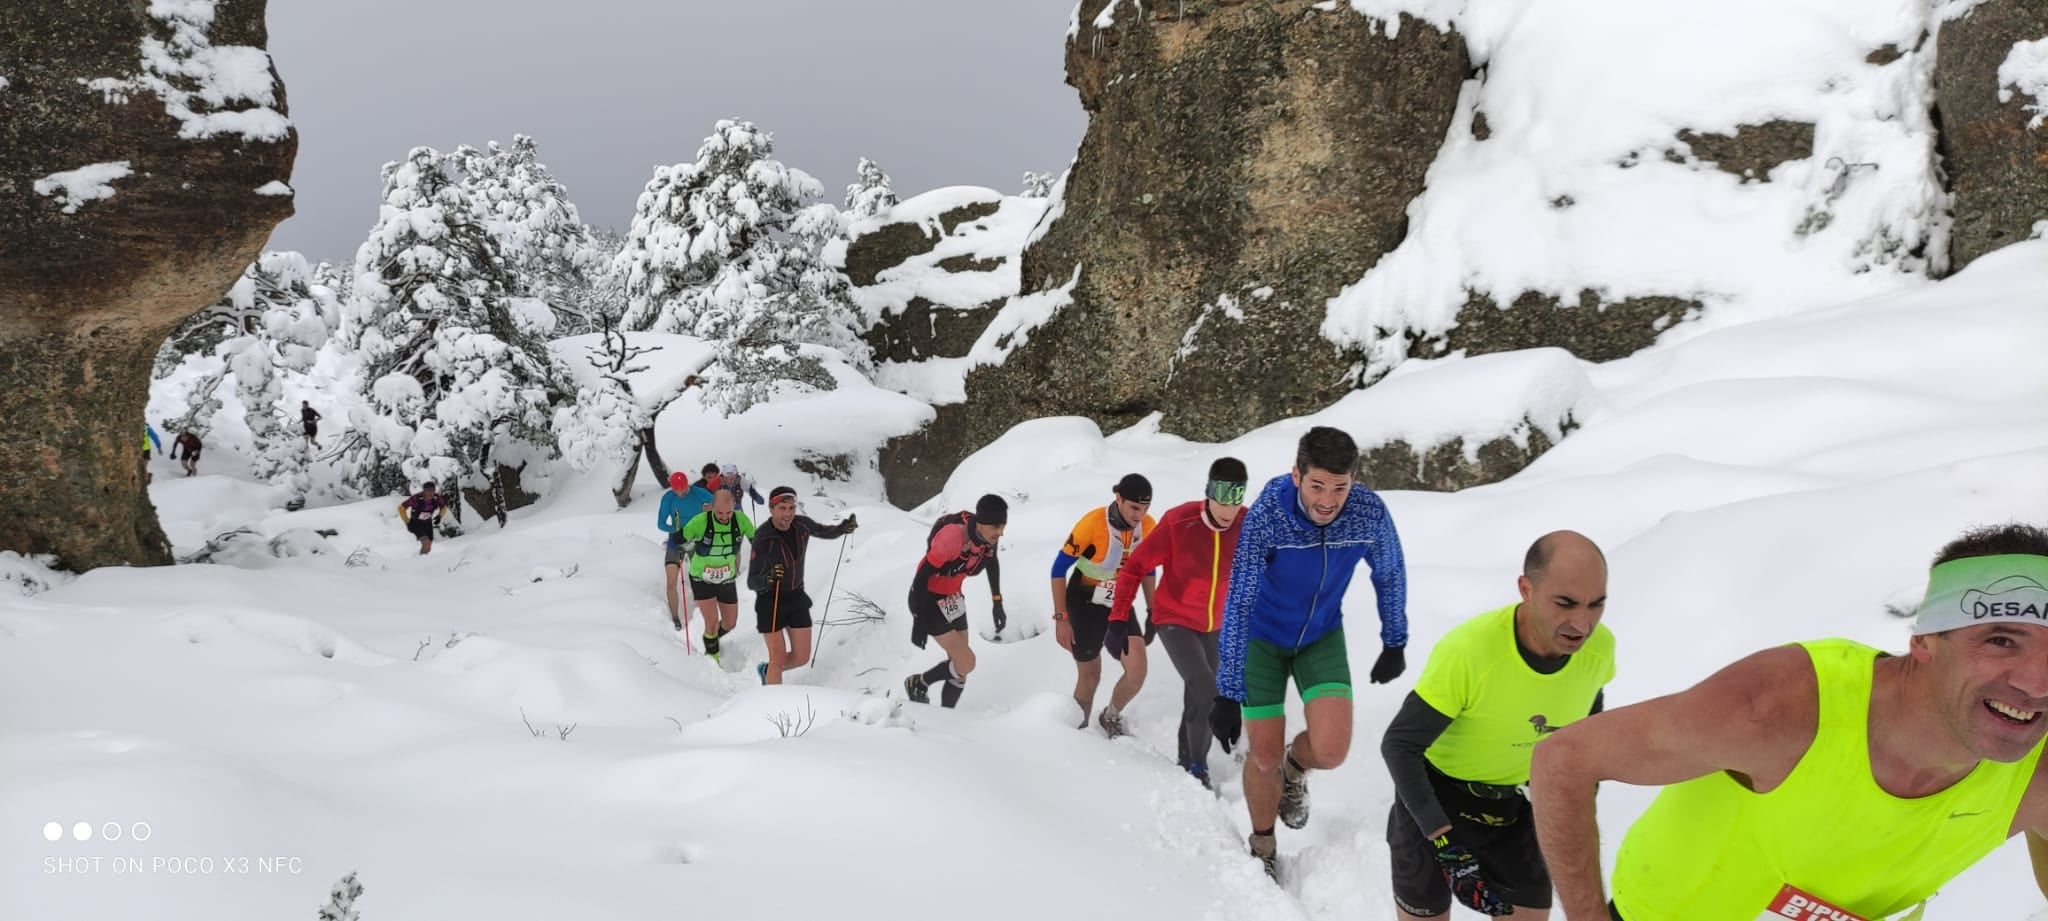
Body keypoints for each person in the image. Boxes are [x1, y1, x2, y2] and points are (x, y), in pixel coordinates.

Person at [1530, 522, 2048, 921]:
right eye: (2000, 640)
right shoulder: (1779, 710)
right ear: (1925, 641)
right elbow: (1563, 759)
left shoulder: (2038, 766)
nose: (2037, 683)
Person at [1211, 425, 1411, 880]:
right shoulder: (1268, 515)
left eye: (1340, 488)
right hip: (1262, 638)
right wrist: (1226, 689)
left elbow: (1390, 571)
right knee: (1261, 755)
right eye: (1317, 485)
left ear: (1354, 482)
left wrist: (1394, 639)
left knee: (1331, 749)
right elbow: (1239, 598)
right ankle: (1263, 841)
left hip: (1319, 635)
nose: (1328, 500)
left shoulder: (1366, 513)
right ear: (1297, 475)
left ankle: (1294, 767)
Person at [1381, 531, 1614, 919]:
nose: (1582, 624)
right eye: (1565, 603)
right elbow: (1400, 746)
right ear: (1526, 589)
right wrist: (1444, 843)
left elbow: (1588, 734)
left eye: (1597, 604)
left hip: (1515, 808)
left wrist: (1577, 809)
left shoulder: (1600, 650)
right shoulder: (1471, 652)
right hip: (1435, 803)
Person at [1108, 457, 1249, 786]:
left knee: (1197, 695)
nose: (1229, 507)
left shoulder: (1247, 524)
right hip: (1174, 619)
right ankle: (1198, 769)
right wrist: (1118, 620)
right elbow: (1134, 569)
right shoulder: (1179, 522)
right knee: (1205, 686)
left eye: (1237, 495)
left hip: (1217, 624)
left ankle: (1188, 759)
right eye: (1222, 494)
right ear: (1208, 491)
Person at [1051, 473, 1161, 736]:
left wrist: (1152, 609)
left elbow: (1147, 569)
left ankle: (1110, 716)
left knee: (1137, 671)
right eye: (1134, 507)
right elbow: (1058, 570)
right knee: (1090, 676)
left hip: (1119, 602)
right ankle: (1075, 733)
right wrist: (1061, 618)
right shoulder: (1092, 524)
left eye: (1145, 509)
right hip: (1084, 600)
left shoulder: (1148, 526)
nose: (1139, 515)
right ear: (1119, 498)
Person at [904, 494, 1009, 708]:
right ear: (981, 523)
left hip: (953, 598)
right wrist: (919, 620)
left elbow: (992, 563)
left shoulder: (989, 539)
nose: (1001, 532)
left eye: (1003, 526)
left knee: (960, 667)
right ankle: (919, 682)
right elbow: (922, 575)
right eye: (996, 527)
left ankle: (948, 717)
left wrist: (997, 601)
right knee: (967, 662)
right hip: (927, 600)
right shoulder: (952, 537)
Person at [746, 486, 857, 685]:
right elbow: (752, 581)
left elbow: (824, 531)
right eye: (782, 508)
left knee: (801, 657)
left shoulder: (802, 525)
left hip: (796, 596)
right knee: (778, 659)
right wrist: (769, 577)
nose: (788, 514)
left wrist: (842, 528)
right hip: (770, 600)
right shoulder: (763, 537)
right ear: (771, 509)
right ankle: (769, 706)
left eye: (791, 508)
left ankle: (767, 670)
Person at [680, 488, 755, 664]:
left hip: (726, 577)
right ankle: (713, 658)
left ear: (734, 507)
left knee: (730, 623)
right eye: (720, 513)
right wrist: (679, 538)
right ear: (712, 508)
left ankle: (710, 638)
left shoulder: (740, 520)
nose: (724, 517)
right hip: (701, 577)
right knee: (712, 621)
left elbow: (756, 538)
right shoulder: (700, 521)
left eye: (728, 512)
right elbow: (683, 537)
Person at [656, 471, 716, 632]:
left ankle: (704, 615)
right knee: (671, 581)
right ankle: (675, 619)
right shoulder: (668, 498)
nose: (680, 493)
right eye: (676, 491)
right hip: (676, 541)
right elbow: (661, 523)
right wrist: (675, 530)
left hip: (697, 541)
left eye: (682, 490)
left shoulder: (700, 494)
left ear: (687, 485)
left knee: (702, 579)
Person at [398, 481, 447, 555]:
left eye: (432, 490)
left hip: (428, 523)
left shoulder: (436, 498)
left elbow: (444, 507)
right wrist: (407, 521)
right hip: (416, 523)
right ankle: (419, 562)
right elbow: (401, 508)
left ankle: (422, 560)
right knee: (426, 543)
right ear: (424, 491)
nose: (430, 493)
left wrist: (440, 516)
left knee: (429, 547)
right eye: (428, 491)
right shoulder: (416, 499)